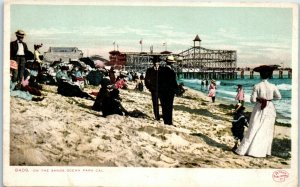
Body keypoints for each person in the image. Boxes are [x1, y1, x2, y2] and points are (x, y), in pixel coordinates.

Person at [235, 65, 281, 158]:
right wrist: (269, 99)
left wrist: (260, 99)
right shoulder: (273, 86)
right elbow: (279, 97)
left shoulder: (257, 86)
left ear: (260, 75)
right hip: (270, 107)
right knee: (267, 129)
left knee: (253, 127)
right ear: (269, 75)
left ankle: (245, 150)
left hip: (259, 107)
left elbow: (252, 100)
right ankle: (263, 151)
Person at [158, 55, 178, 125]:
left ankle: (165, 121)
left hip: (162, 92)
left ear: (166, 62)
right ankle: (169, 122)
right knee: (169, 107)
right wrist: (177, 90)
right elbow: (174, 83)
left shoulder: (161, 70)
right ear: (172, 63)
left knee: (164, 106)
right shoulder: (172, 72)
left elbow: (159, 82)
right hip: (169, 92)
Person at [145, 56, 161, 121]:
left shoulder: (162, 70)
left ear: (159, 63)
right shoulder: (149, 70)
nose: (156, 63)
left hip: (162, 90)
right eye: (155, 62)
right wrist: (150, 88)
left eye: (157, 62)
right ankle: (157, 117)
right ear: (153, 63)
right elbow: (146, 80)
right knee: (155, 104)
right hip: (154, 90)